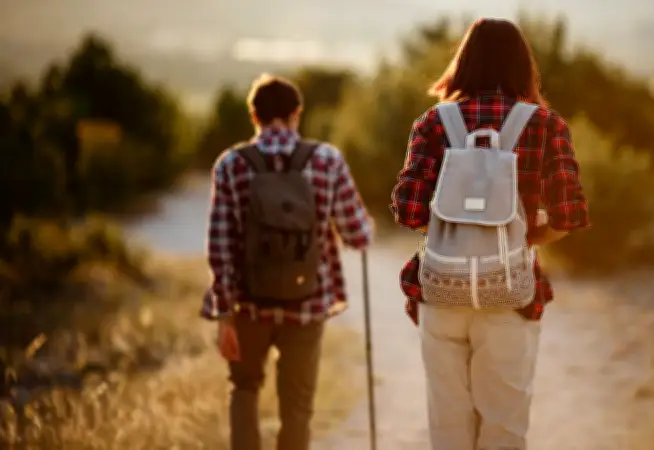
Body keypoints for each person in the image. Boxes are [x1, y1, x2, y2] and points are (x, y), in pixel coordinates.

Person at [390, 18, 590, 450]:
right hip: (509, 292)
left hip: (441, 290)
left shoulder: (434, 123)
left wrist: (453, 229)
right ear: (522, 66)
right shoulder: (545, 125)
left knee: (448, 425)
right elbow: (568, 216)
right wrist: (522, 237)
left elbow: (408, 211)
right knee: (504, 426)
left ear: (463, 63)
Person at [202, 74, 373, 450]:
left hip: (248, 305)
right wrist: (364, 228)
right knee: (297, 408)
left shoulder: (231, 164)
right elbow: (357, 235)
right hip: (307, 302)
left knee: (244, 388)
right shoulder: (327, 160)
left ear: (254, 116)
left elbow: (220, 247)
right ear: (297, 114)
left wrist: (224, 314)